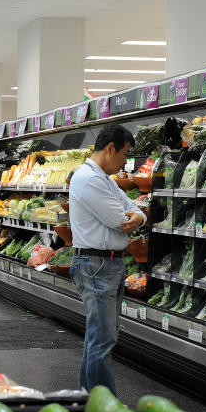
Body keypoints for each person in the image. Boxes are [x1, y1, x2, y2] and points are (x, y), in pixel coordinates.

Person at [69, 124, 146, 394]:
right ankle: (107, 407)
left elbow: (134, 209)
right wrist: (134, 216)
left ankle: (88, 399)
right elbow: (119, 218)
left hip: (106, 264)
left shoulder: (103, 179)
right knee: (102, 339)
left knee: (98, 338)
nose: (126, 160)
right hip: (96, 265)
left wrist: (139, 216)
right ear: (110, 148)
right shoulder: (89, 179)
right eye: (125, 153)